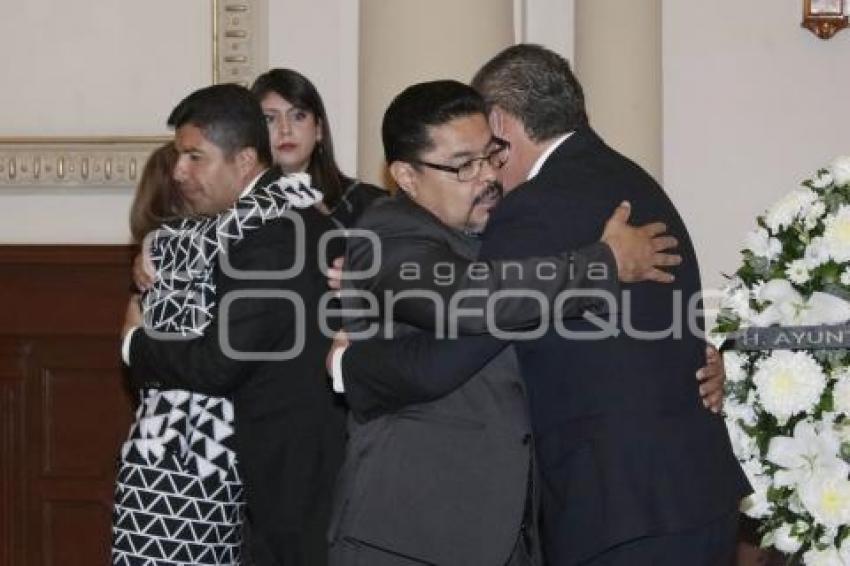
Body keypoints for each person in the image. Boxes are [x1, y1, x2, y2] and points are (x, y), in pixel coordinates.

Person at [332, 45, 748, 566]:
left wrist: (351, 364)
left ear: (501, 122)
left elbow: (448, 357)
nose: (487, 175)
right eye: (465, 165)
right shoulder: (631, 180)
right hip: (690, 493)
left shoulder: (536, 206)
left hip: (620, 507)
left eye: (488, 154)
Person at [120, 84, 345, 566]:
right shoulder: (284, 217)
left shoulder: (267, 235)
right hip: (287, 472)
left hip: (283, 478)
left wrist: (134, 344)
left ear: (244, 160)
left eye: (194, 157)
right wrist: (150, 254)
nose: (178, 172)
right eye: (179, 156)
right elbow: (185, 245)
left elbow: (219, 363)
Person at [251, 68, 384, 228]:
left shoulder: (369, 204)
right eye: (269, 119)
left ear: (319, 129)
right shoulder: (237, 211)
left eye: (298, 116)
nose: (285, 129)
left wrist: (324, 225)